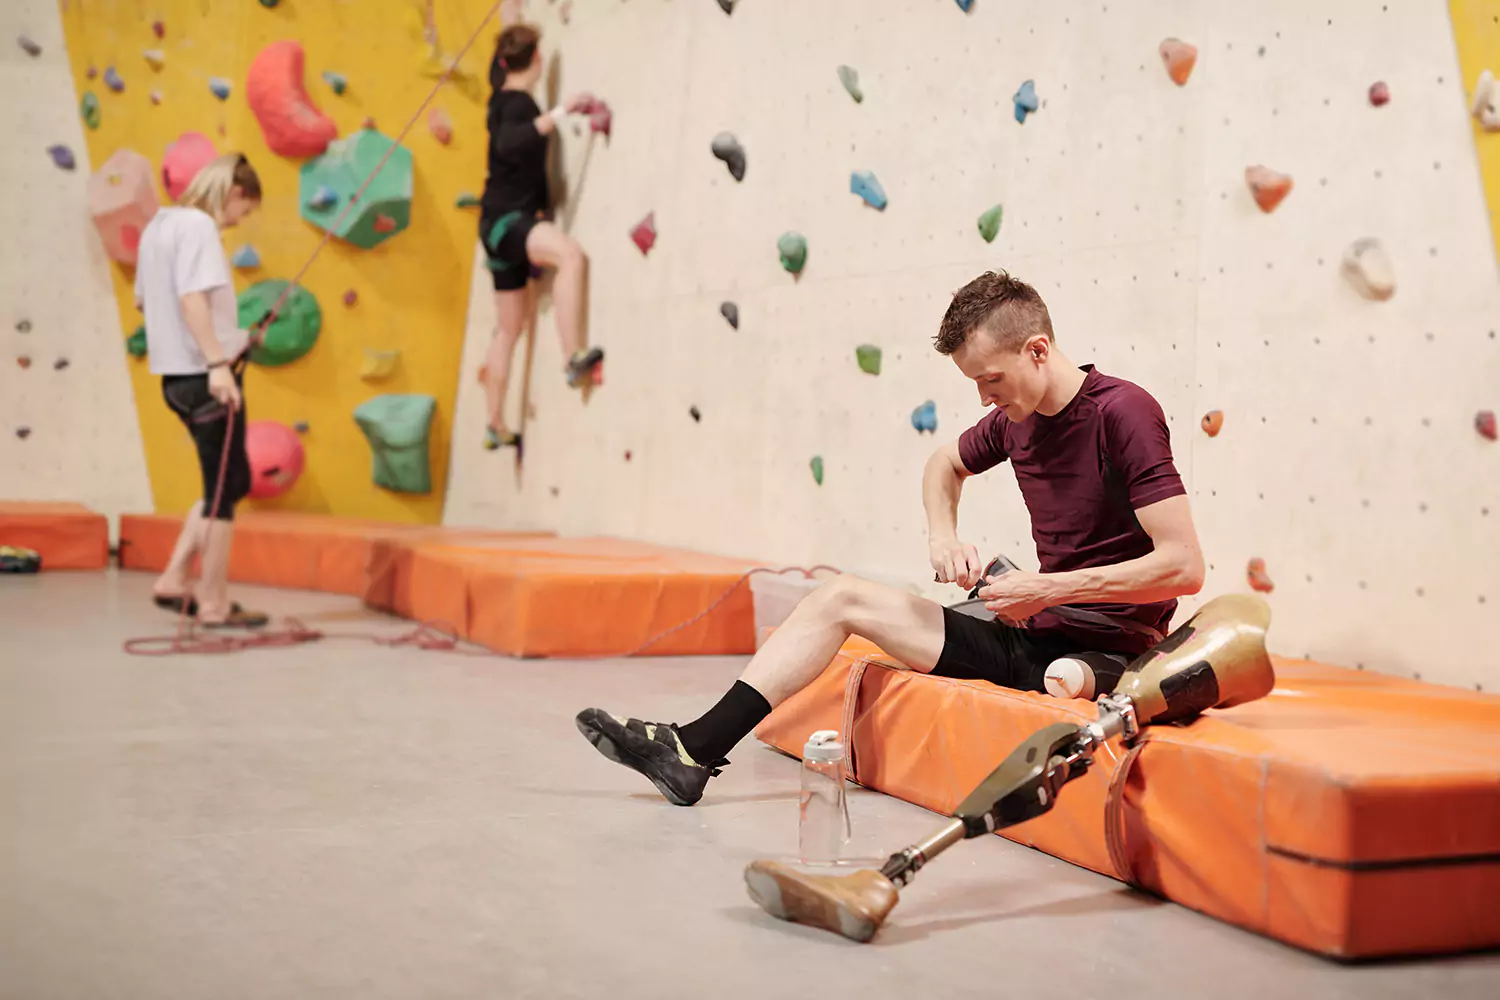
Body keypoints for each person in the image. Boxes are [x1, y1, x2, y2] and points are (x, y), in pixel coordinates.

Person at [576, 270, 1207, 805]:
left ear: (1037, 351)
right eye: (975, 386)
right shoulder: (1013, 421)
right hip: (1031, 633)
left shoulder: (1122, 412)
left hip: (1111, 648)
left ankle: (1089, 673)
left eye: (990, 379)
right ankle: (692, 749)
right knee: (837, 598)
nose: (984, 397)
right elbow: (942, 465)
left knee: (1066, 676)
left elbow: (1183, 567)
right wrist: (943, 535)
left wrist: (1046, 588)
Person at [135, 153, 268, 629]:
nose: (240, 221)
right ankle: (212, 602)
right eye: (245, 211)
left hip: (176, 379)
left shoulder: (159, 228)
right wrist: (217, 362)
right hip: (203, 375)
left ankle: (174, 578)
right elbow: (191, 298)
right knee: (222, 494)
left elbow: (152, 302)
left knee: (230, 482)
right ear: (233, 194)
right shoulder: (198, 227)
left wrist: (232, 341)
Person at [479, 22, 604, 452]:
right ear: (536, 60)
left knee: (508, 329)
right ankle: (573, 357)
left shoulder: (499, 100)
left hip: (497, 226)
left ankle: (494, 423)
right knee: (570, 255)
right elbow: (511, 144)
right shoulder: (515, 103)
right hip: (507, 221)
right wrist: (560, 112)